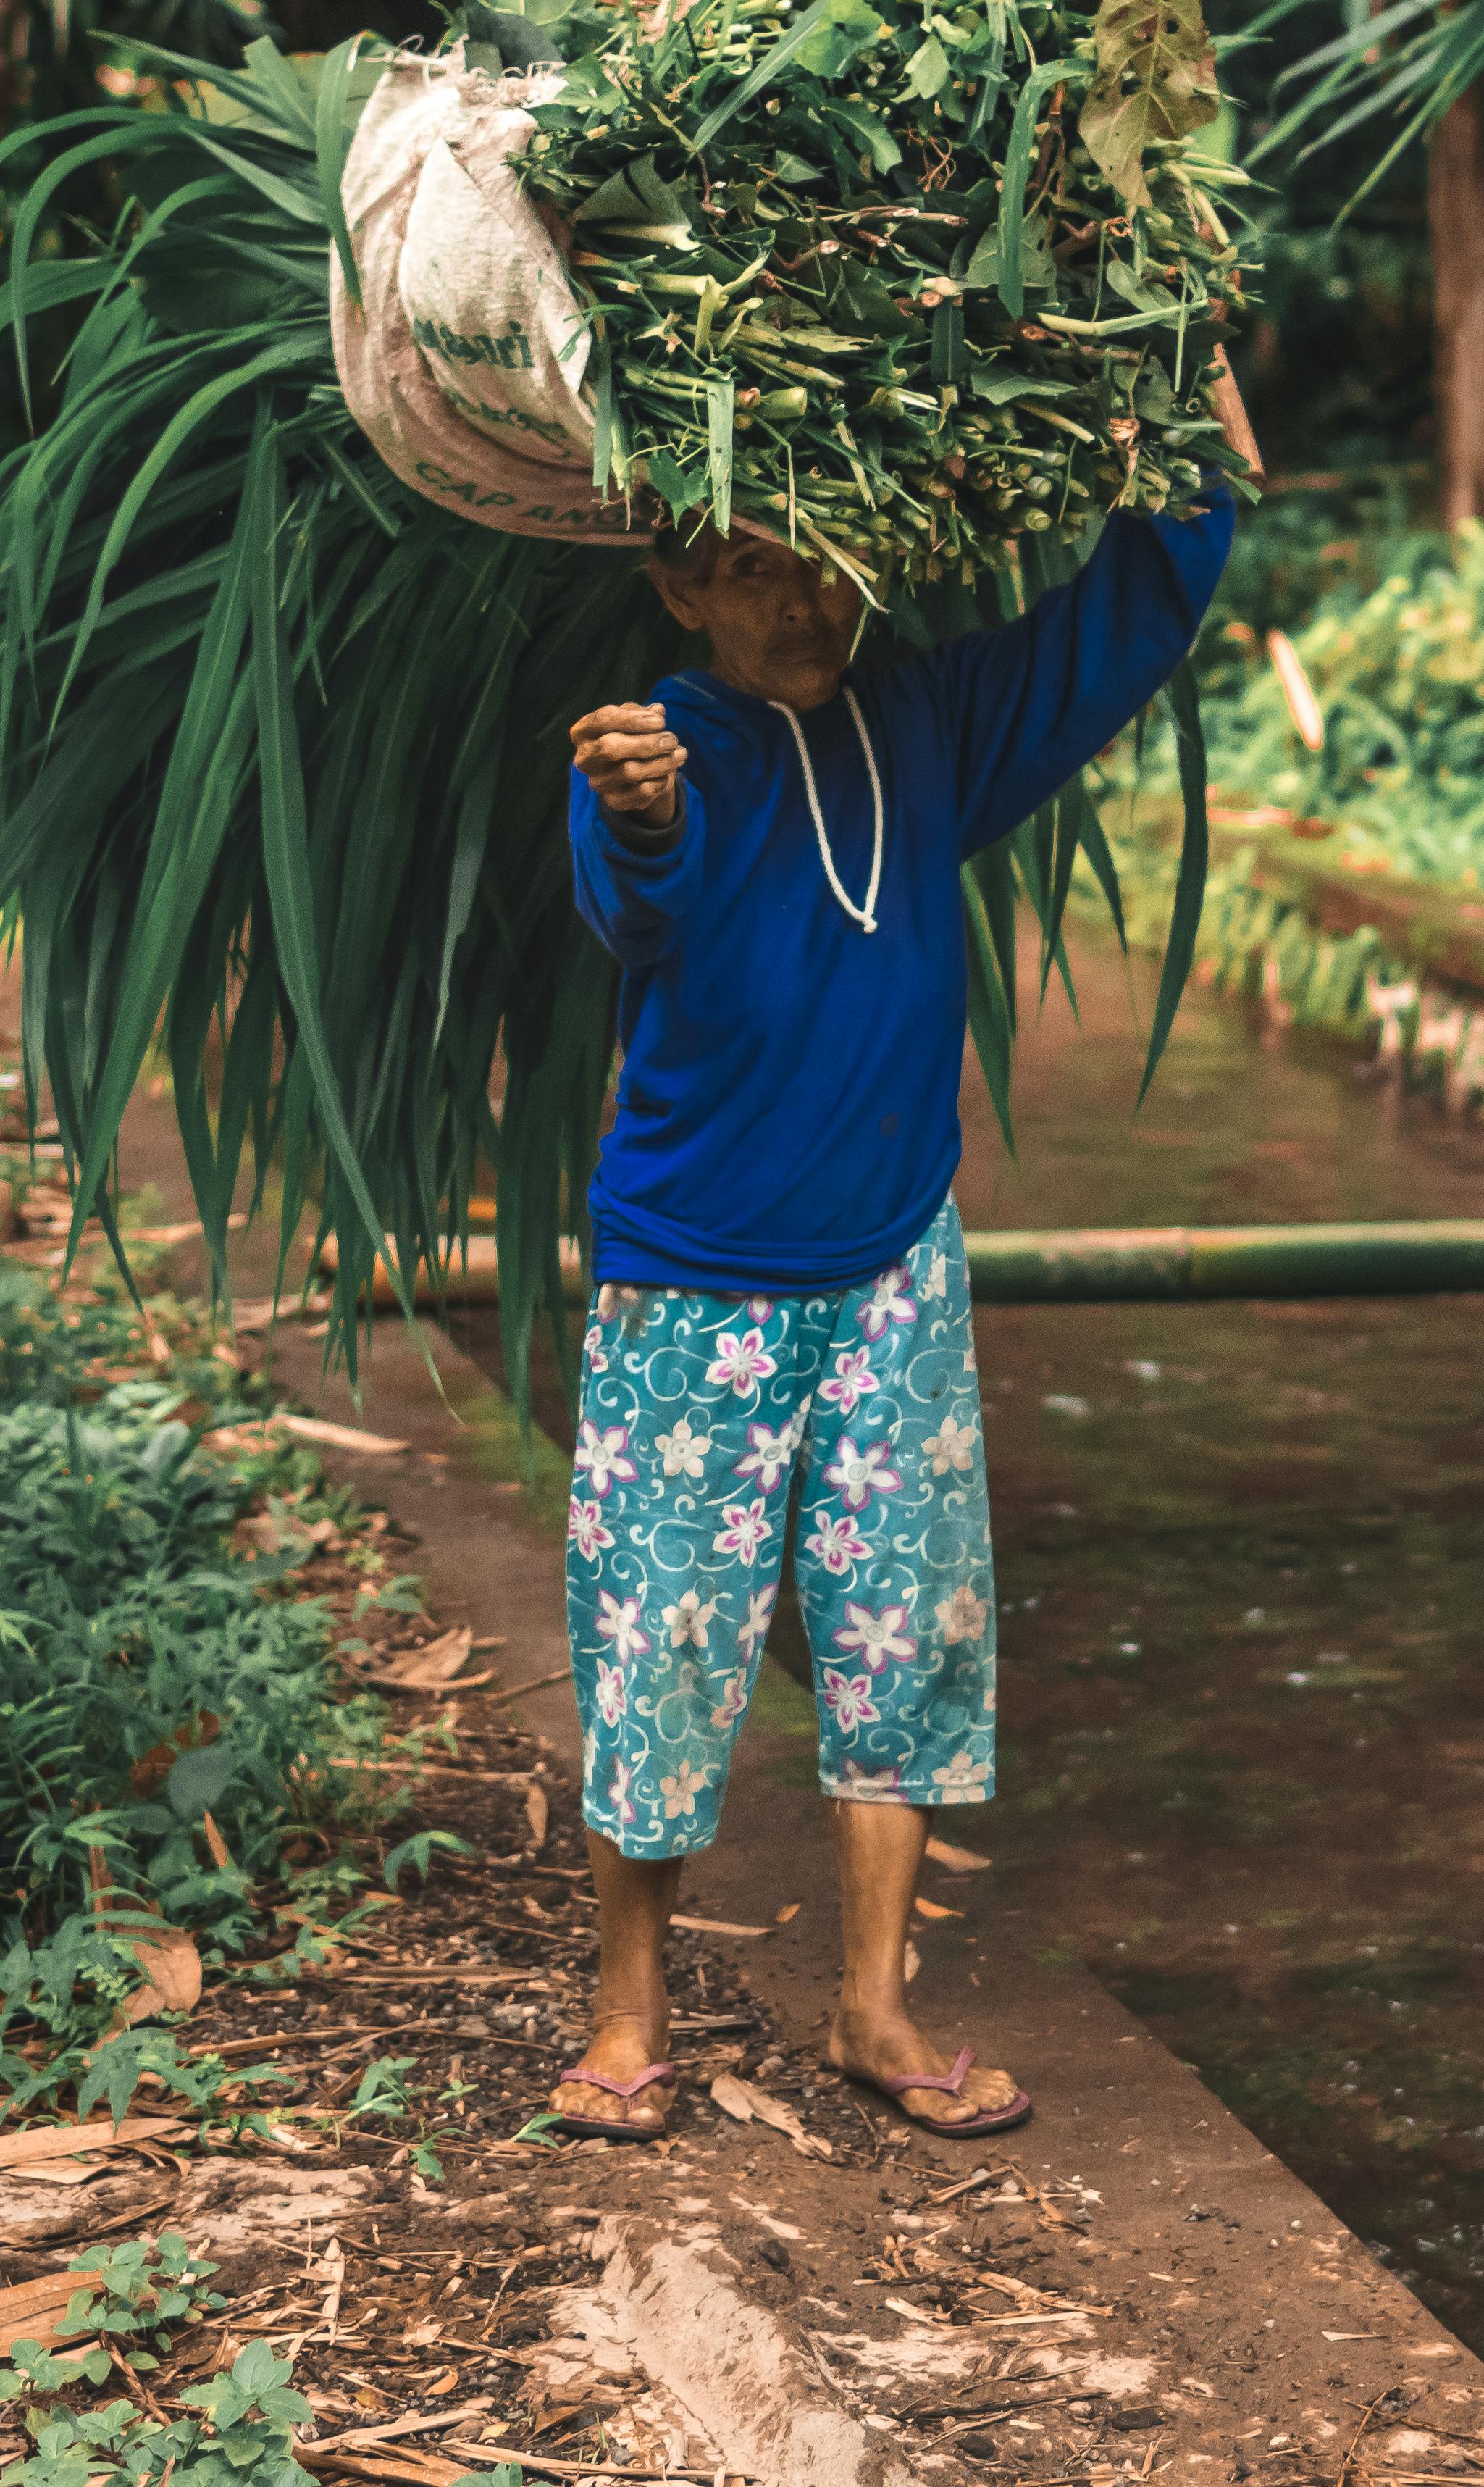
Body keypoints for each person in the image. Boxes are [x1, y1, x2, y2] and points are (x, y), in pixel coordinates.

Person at [553, 393, 1253, 2143]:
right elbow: (638, 897)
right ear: (682, 578)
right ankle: (623, 2009)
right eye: (755, 571)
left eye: (828, 566)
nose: (799, 607)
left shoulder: (929, 722)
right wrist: (635, 810)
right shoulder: (668, 749)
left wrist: (1198, 382)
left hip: (892, 1267)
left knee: (907, 1633)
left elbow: (1139, 602)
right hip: (694, 1274)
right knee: (664, 1638)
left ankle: (875, 2004)